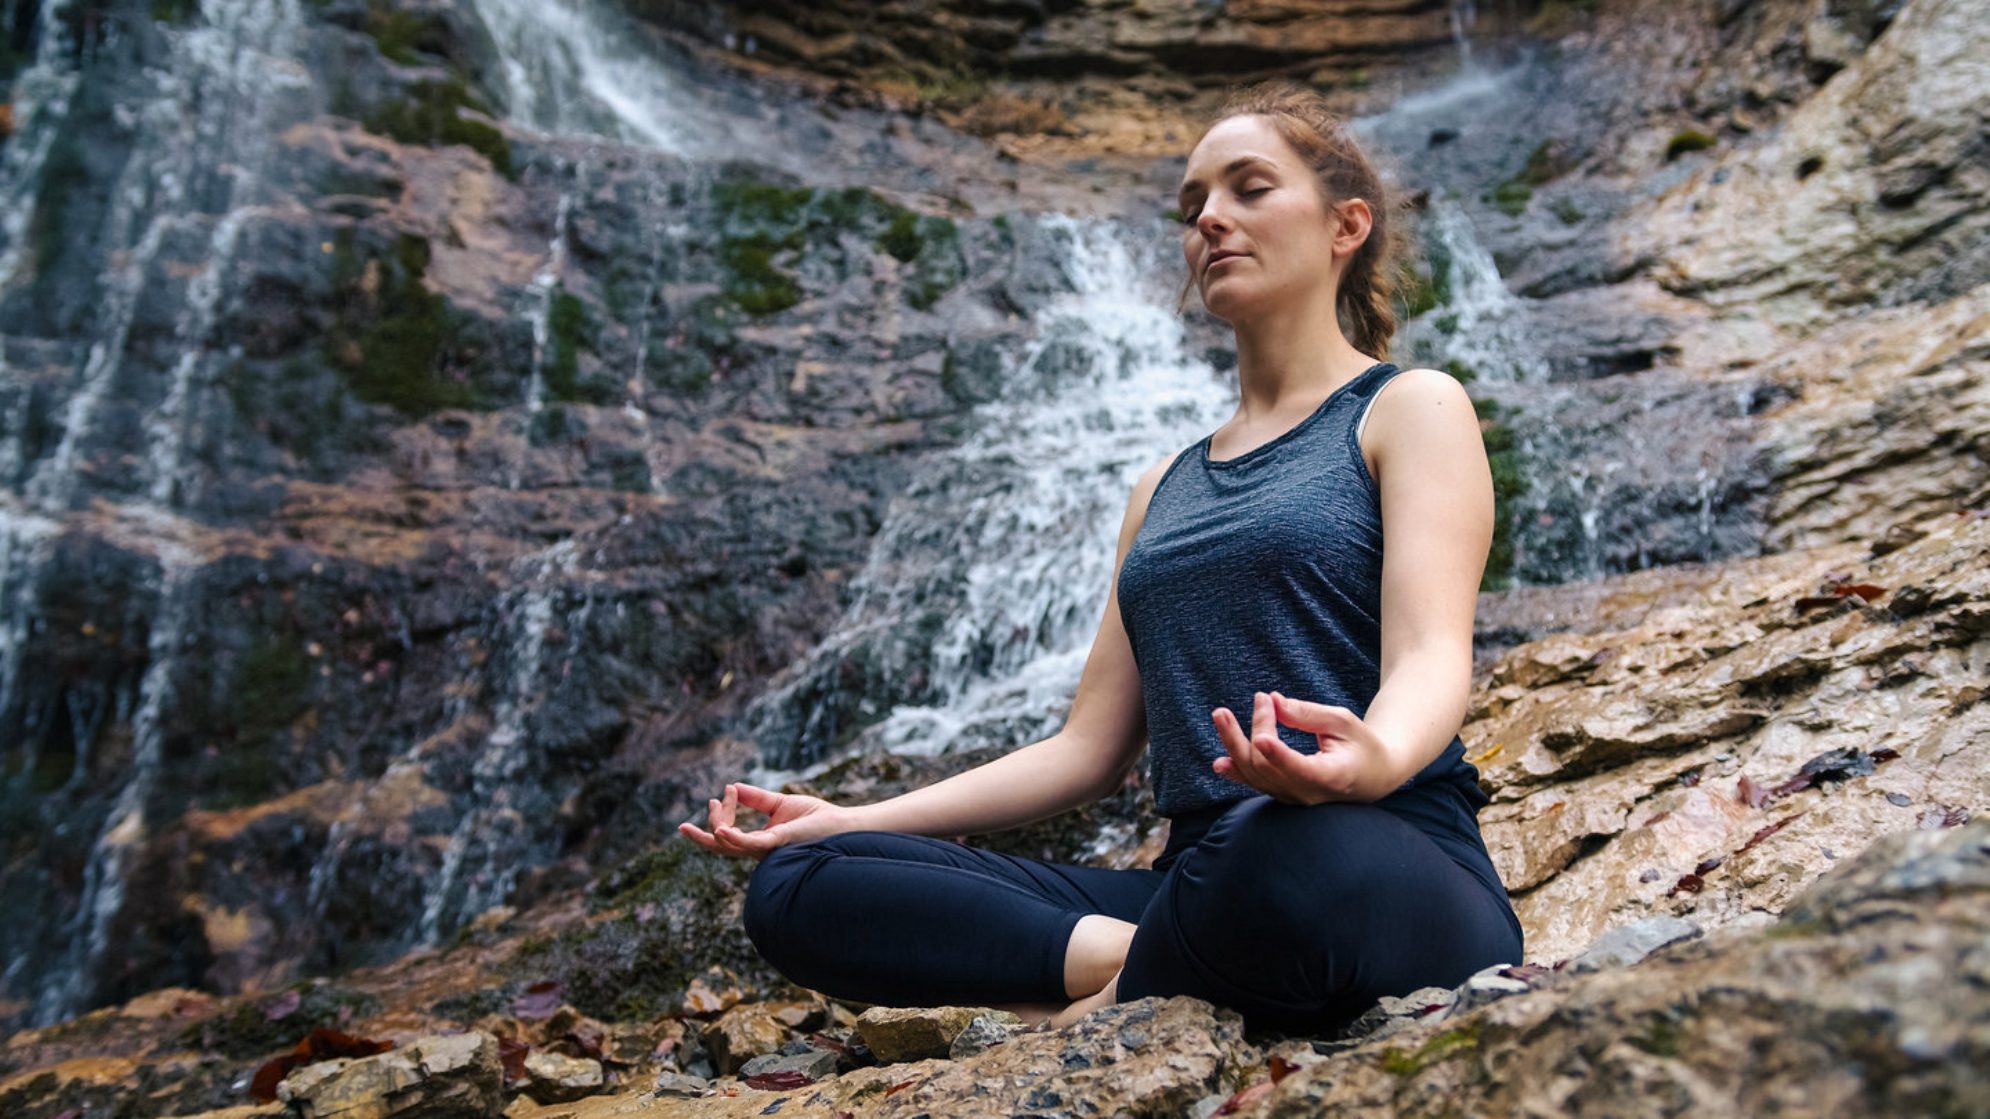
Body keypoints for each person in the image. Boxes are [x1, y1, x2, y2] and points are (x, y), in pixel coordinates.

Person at [679, 79, 1524, 1037]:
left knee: (1278, 845)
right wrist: (855, 816)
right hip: (1203, 882)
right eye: (1193, 204)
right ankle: (1138, 967)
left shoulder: (1408, 408)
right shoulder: (1159, 486)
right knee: (801, 883)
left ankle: (1116, 996)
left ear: (1347, 226)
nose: (1210, 217)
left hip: (1381, 851)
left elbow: (1431, 656)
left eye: (1249, 187)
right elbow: (1087, 750)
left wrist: (1372, 761)